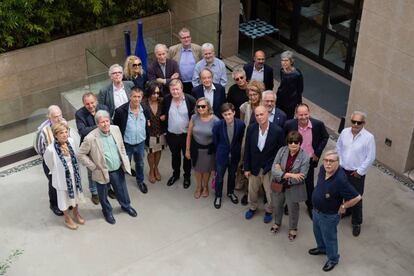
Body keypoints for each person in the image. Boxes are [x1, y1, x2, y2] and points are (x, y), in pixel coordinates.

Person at [77, 110, 137, 225]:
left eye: (107, 121)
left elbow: (121, 145)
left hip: (117, 169)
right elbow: (80, 154)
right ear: (97, 124)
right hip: (101, 171)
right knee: (103, 194)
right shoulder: (90, 138)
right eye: (102, 122)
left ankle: (126, 206)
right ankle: (107, 211)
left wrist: (123, 157)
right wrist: (93, 166)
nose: (105, 124)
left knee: (122, 190)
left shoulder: (115, 129)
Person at [308, 150, 361, 272]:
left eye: (331, 161)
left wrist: (344, 206)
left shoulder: (340, 180)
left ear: (338, 162)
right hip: (316, 211)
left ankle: (333, 259)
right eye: (326, 160)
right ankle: (321, 248)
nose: (327, 164)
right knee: (317, 233)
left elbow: (357, 197)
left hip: (329, 216)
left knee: (330, 238)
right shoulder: (322, 169)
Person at [284, 103, 329, 218]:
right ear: (296, 115)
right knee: (291, 183)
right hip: (293, 160)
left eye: (306, 114)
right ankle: (290, 204)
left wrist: (317, 153)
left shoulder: (318, 125)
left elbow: (325, 137)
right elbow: (284, 140)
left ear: (309, 113)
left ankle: (310, 206)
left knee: (308, 185)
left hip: (308, 161)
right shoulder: (289, 124)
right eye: (300, 115)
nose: (303, 117)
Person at [34, 105, 79, 216]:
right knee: (54, 183)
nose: (59, 119)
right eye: (55, 117)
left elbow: (72, 139)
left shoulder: (65, 125)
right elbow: (39, 149)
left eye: (60, 115)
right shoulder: (43, 131)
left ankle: (67, 202)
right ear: (49, 117)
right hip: (51, 161)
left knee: (66, 180)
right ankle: (54, 204)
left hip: (66, 160)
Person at [336, 111, 375, 237]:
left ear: (364, 123)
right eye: (354, 121)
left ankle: (356, 222)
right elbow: (338, 148)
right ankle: (346, 211)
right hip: (342, 169)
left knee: (356, 198)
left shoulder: (369, 138)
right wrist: (340, 164)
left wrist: (359, 171)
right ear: (351, 121)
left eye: (359, 122)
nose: (356, 124)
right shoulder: (344, 132)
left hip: (356, 173)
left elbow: (370, 157)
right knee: (341, 193)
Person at [244, 105, 285, 223]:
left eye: (262, 114)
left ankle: (269, 210)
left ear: (267, 114)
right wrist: (246, 168)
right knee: (252, 190)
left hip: (269, 168)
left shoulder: (277, 130)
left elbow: (281, 151)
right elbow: (247, 149)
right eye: (257, 115)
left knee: (270, 192)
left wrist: (277, 167)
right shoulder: (251, 128)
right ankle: (252, 207)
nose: (259, 117)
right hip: (254, 167)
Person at [44, 122, 85, 230]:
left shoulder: (71, 141)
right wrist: (61, 171)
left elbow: (75, 156)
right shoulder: (50, 149)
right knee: (64, 199)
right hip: (61, 178)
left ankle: (76, 213)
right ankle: (67, 218)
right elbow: (49, 164)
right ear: (56, 135)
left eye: (66, 132)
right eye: (61, 133)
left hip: (74, 176)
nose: (64, 134)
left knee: (75, 195)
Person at [270, 131, 310, 241]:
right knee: (277, 206)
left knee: (293, 209)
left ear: (300, 143)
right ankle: (277, 223)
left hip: (293, 188)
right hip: (279, 185)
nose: (293, 144)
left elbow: (302, 177)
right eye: (290, 142)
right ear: (287, 143)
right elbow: (274, 170)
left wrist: (282, 172)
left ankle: (293, 228)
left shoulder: (305, 157)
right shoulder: (282, 151)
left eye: (296, 142)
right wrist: (290, 174)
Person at [113, 87, 150, 194]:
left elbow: (147, 124)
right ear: (130, 97)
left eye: (139, 97)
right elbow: (116, 128)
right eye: (134, 96)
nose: (136, 99)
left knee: (140, 163)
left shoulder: (145, 109)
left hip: (140, 143)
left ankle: (140, 181)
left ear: (142, 97)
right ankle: (119, 187)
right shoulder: (120, 111)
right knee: (122, 164)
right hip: (126, 144)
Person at [75, 92, 110, 204]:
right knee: (92, 171)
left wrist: (101, 125)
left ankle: (108, 189)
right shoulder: (80, 114)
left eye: (92, 103)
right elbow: (82, 131)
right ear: (84, 104)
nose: (90, 106)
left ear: (96, 101)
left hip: (105, 142)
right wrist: (100, 126)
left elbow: (110, 123)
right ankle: (94, 193)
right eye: (87, 104)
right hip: (90, 147)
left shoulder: (103, 108)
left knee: (107, 166)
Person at [161, 79, 196, 188]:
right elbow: (163, 113)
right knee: (175, 156)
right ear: (170, 90)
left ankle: (187, 176)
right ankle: (175, 175)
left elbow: (196, 114)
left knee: (187, 157)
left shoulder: (190, 99)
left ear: (182, 89)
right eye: (173, 90)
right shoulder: (167, 100)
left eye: (177, 89)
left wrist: (192, 123)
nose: (175, 92)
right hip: (172, 135)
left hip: (186, 135)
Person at [212, 103, 245, 209]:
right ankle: (218, 195)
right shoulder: (217, 125)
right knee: (219, 177)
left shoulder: (240, 124)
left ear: (234, 113)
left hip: (235, 155)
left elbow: (240, 139)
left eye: (230, 114)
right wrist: (221, 150)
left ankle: (230, 192)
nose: (228, 117)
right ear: (222, 115)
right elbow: (215, 141)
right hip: (222, 155)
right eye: (225, 114)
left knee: (232, 176)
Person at [185, 97, 219, 198]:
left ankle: (205, 187)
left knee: (206, 170)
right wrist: (187, 150)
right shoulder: (194, 117)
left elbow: (218, 138)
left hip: (209, 150)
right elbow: (189, 134)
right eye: (198, 106)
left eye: (203, 106)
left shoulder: (215, 120)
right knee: (197, 169)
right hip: (196, 148)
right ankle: (198, 187)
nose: (200, 109)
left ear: (208, 107)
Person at [238, 80, 265, 205]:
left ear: (260, 94)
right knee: (246, 164)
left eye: (255, 94)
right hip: (247, 140)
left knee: (259, 166)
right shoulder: (245, 106)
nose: (252, 97)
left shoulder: (264, 108)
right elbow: (242, 123)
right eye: (250, 94)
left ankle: (262, 190)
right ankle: (247, 192)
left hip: (260, 140)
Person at [141, 80, 167, 183]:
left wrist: (165, 116)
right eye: (153, 93)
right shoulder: (143, 103)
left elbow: (167, 112)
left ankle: (156, 168)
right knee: (151, 152)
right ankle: (151, 170)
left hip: (160, 131)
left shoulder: (162, 101)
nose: (156, 95)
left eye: (157, 93)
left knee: (159, 150)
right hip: (149, 133)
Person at [168, 27, 202, 94]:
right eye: (184, 38)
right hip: (180, 83)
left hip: (195, 83)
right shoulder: (172, 50)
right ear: (180, 39)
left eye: (188, 37)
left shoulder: (198, 49)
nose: (186, 39)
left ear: (190, 37)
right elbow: (168, 66)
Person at [276, 50, 303, 119]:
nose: (284, 63)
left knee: (288, 118)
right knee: (278, 116)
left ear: (291, 61)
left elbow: (300, 89)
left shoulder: (297, 74)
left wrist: (299, 103)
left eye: (286, 60)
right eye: (282, 60)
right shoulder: (282, 70)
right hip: (280, 98)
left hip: (291, 101)